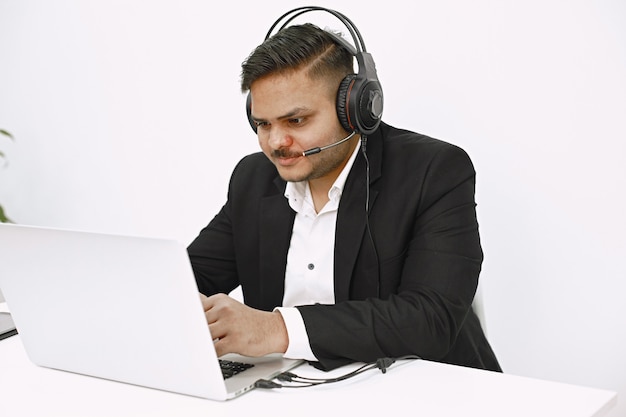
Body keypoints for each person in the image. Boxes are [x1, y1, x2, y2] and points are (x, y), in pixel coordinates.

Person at [187, 7, 501, 372]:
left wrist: (276, 329)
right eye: (262, 123)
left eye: (296, 120)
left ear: (354, 108)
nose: (275, 142)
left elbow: (432, 318)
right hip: (292, 391)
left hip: (423, 390)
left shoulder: (434, 171)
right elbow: (191, 277)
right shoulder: (253, 178)